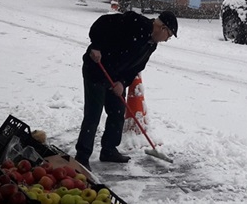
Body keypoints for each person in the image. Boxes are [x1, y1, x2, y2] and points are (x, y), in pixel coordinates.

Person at [75, 10, 177, 170]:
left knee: (117, 113)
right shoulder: (135, 22)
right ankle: (82, 156)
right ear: (162, 28)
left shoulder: (151, 45)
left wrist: (122, 82)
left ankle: (108, 150)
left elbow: (136, 66)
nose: (167, 39)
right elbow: (102, 23)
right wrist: (96, 46)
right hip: (96, 69)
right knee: (93, 114)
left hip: (115, 78)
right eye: (169, 35)